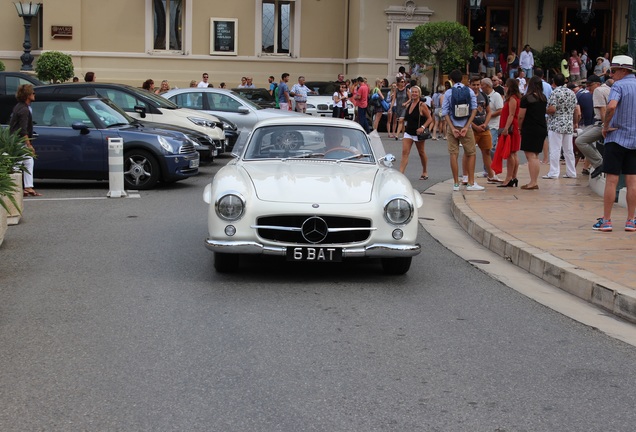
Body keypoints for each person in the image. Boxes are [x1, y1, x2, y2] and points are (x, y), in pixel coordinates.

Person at [593, 55, 636, 232]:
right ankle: (631, 220)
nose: (612, 74)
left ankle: (607, 220)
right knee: (632, 181)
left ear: (623, 71)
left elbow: (611, 106)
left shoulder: (619, 85)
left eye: (614, 70)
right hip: (635, 139)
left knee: (611, 180)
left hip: (616, 136)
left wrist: (605, 125)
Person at [441, 69, 484, 191]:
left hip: (453, 126)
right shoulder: (469, 91)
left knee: (453, 154)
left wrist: (453, 128)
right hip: (466, 126)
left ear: (451, 80)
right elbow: (474, 109)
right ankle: (471, 182)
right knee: (471, 153)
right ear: (463, 79)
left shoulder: (449, 93)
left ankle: (455, 183)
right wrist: (466, 126)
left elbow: (445, 112)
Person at [575, 74, 611, 178]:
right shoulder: (608, 88)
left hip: (602, 123)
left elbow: (603, 110)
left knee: (580, 141)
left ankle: (599, 164)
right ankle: (599, 162)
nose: (588, 88)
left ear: (597, 84)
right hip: (601, 122)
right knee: (582, 137)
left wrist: (605, 126)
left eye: (590, 85)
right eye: (587, 85)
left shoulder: (598, 90)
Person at [544, 73, 578, 179]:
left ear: (554, 82)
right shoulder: (571, 93)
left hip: (556, 124)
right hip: (568, 123)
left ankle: (554, 172)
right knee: (569, 150)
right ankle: (571, 172)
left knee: (555, 149)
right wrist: (575, 122)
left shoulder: (555, 93)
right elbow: (576, 109)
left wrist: (544, 110)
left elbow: (552, 109)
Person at [9, 84, 40, 196]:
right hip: (19, 141)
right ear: (28, 95)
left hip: (15, 140)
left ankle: (28, 187)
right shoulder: (24, 110)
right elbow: (23, 129)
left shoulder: (19, 106)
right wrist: (29, 145)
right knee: (17, 164)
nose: (34, 95)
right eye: (32, 93)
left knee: (28, 161)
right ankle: (16, 189)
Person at [518, 76, 548, 189]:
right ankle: (534, 180)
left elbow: (521, 116)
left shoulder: (527, 98)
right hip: (541, 127)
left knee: (531, 156)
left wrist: (519, 127)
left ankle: (533, 182)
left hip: (530, 128)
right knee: (535, 155)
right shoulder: (543, 98)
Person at [399, 85, 432, 179]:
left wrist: (422, 127)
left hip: (418, 133)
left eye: (416, 92)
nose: (414, 94)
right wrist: (402, 119)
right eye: (412, 92)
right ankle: (401, 174)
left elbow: (430, 119)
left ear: (419, 94)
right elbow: (409, 118)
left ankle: (425, 171)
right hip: (408, 132)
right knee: (405, 152)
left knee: (421, 152)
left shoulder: (422, 105)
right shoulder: (409, 105)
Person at [468, 75, 496, 182]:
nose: (476, 87)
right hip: (472, 129)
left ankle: (491, 174)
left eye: (478, 84)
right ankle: (467, 176)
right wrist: (474, 126)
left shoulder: (483, 95)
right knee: (469, 153)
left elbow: (488, 111)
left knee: (487, 151)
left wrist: (485, 123)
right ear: (469, 85)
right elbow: (466, 115)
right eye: (473, 85)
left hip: (484, 128)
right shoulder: (467, 97)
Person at [496, 78, 521, 188]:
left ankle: (509, 177)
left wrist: (506, 128)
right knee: (514, 153)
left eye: (506, 85)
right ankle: (513, 176)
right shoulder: (516, 98)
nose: (505, 87)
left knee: (511, 153)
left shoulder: (512, 99)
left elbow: (511, 114)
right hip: (514, 126)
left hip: (510, 127)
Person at [481, 77, 503, 177]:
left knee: (491, 147)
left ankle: (492, 168)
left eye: (482, 85)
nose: (481, 87)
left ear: (487, 86)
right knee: (485, 148)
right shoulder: (483, 96)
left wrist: (489, 115)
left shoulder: (496, 96)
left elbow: (500, 110)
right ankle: (487, 169)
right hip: (485, 125)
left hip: (493, 125)